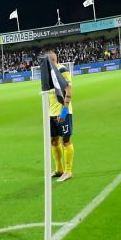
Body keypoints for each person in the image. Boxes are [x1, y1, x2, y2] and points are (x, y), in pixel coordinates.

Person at [47, 51, 74, 182]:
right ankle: (59, 170)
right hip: (51, 113)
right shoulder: (47, 74)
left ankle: (68, 171)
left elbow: (68, 90)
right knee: (53, 141)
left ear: (52, 60)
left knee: (66, 141)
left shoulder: (62, 70)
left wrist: (63, 111)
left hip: (63, 112)